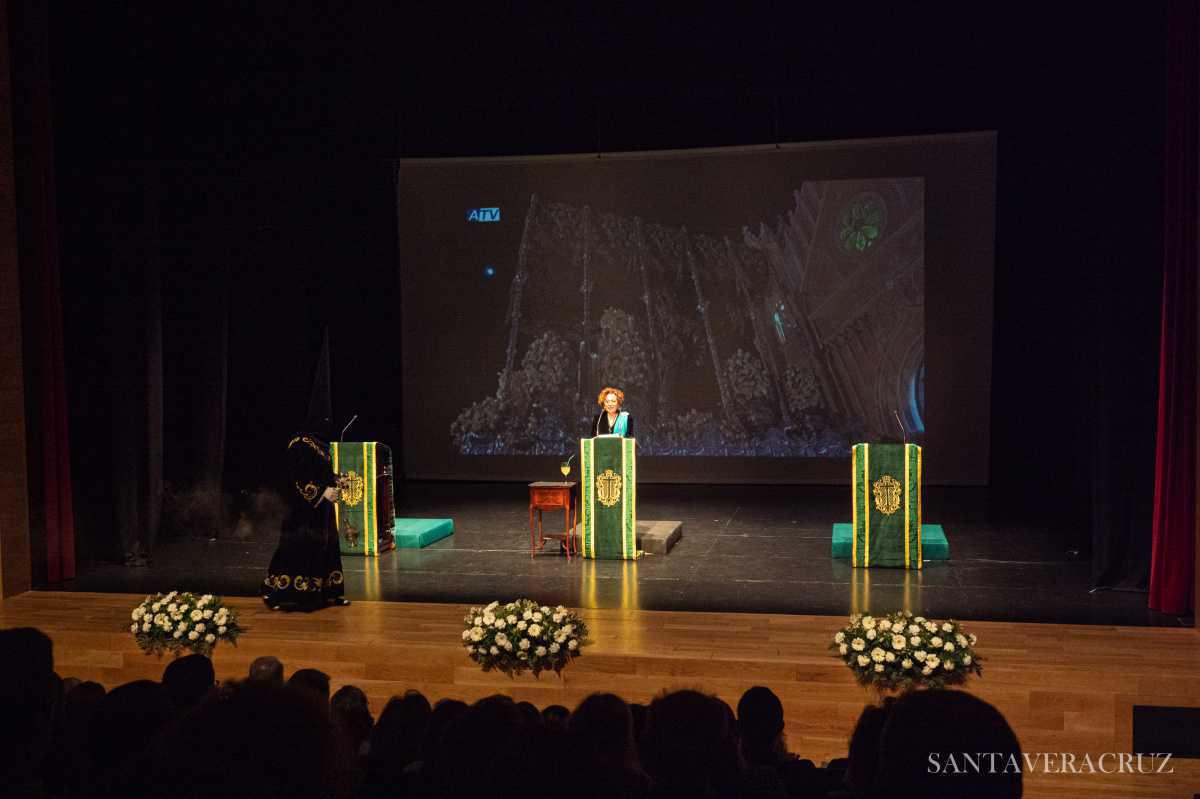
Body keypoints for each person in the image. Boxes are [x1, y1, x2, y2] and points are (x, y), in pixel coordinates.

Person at [262, 333, 350, 611]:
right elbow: (299, 478)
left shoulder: (320, 445)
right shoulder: (299, 443)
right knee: (299, 549)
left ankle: (328, 593)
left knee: (325, 549)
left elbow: (322, 472)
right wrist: (322, 491)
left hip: (321, 511)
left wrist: (336, 482)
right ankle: (288, 595)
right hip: (302, 510)